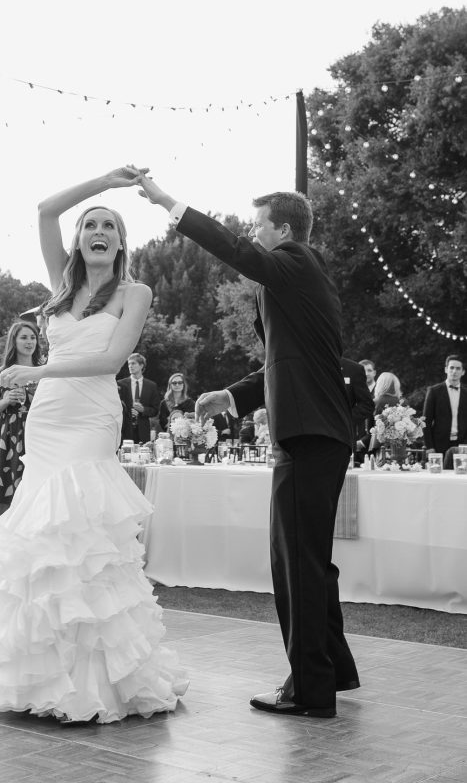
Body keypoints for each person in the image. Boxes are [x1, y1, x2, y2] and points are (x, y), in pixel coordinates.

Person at [0, 167, 187, 722]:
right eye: (89, 224)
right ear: (79, 240)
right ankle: (30, 663)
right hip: (47, 422)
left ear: (120, 243)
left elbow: (111, 362)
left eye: (108, 226)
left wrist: (40, 372)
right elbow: (46, 209)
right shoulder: (60, 289)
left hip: (90, 418)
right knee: (40, 532)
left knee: (83, 531)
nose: (97, 229)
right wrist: (107, 184)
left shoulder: (134, 293)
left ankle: (95, 676)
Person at [136, 172, 357, 718]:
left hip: (308, 435)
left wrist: (169, 201)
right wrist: (230, 394)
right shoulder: (299, 280)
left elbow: (234, 251)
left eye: (258, 224)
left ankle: (310, 688)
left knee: (295, 564)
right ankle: (333, 668)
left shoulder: (296, 262)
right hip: (315, 432)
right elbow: (285, 361)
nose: (251, 233)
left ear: (282, 230)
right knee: (308, 560)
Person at [0, 320, 41, 521]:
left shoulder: (43, 372)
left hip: (38, 437)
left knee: (36, 494)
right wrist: (6, 400)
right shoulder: (1, 373)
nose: (29, 342)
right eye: (24, 337)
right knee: (4, 495)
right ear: (14, 341)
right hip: (9, 437)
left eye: (33, 337)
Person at [422, 355, 467, 458]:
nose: (454, 371)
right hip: (438, 445)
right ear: (446, 369)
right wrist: (429, 446)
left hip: (462, 445)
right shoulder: (434, 391)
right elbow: (426, 421)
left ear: (463, 372)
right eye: (451, 368)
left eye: (458, 368)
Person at [117, 353, 160, 443]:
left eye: (133, 363)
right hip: (124, 429)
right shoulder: (120, 384)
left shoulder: (151, 386)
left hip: (143, 430)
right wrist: (127, 411)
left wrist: (143, 410)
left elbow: (155, 410)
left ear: (141, 365)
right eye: (129, 364)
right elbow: (115, 406)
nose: (130, 366)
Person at [341, 357, 374, 464]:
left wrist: (344, 419)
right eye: (365, 370)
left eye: (369, 370)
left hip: (348, 437)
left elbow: (367, 406)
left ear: (375, 373)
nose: (367, 373)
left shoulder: (351, 369)